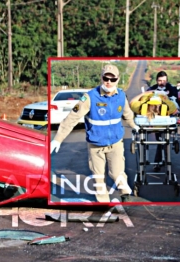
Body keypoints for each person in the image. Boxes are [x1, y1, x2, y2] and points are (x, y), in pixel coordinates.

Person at [50, 64, 139, 203]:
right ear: (101, 78)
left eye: (112, 79)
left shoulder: (121, 96)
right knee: (98, 177)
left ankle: (125, 192)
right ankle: (103, 202)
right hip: (95, 145)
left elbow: (127, 114)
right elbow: (72, 118)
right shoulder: (89, 98)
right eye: (106, 78)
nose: (108, 82)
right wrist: (58, 139)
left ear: (118, 79)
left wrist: (134, 126)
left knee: (117, 173)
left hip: (115, 143)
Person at [146, 71, 179, 171]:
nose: (162, 83)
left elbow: (175, 102)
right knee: (161, 141)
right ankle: (158, 162)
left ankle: (161, 161)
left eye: (164, 81)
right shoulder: (152, 89)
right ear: (156, 81)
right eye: (160, 81)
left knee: (165, 141)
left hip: (168, 117)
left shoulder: (172, 89)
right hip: (157, 119)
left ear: (167, 80)